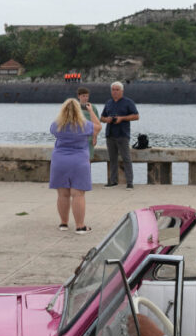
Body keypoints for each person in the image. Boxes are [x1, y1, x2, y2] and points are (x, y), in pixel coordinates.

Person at [49, 98, 101, 233]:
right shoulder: (85, 125)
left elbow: (52, 131)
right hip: (79, 161)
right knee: (78, 194)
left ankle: (63, 224)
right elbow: (98, 127)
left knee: (62, 194)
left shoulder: (57, 125)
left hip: (60, 160)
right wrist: (91, 111)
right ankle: (80, 226)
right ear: (79, 110)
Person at [99, 81, 139, 189]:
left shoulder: (128, 102)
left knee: (126, 158)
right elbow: (101, 118)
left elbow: (136, 116)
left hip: (123, 134)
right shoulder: (108, 103)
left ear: (122, 91)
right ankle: (113, 181)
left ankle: (129, 182)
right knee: (112, 159)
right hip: (110, 134)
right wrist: (106, 119)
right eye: (113, 90)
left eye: (117, 90)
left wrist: (122, 118)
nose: (115, 92)